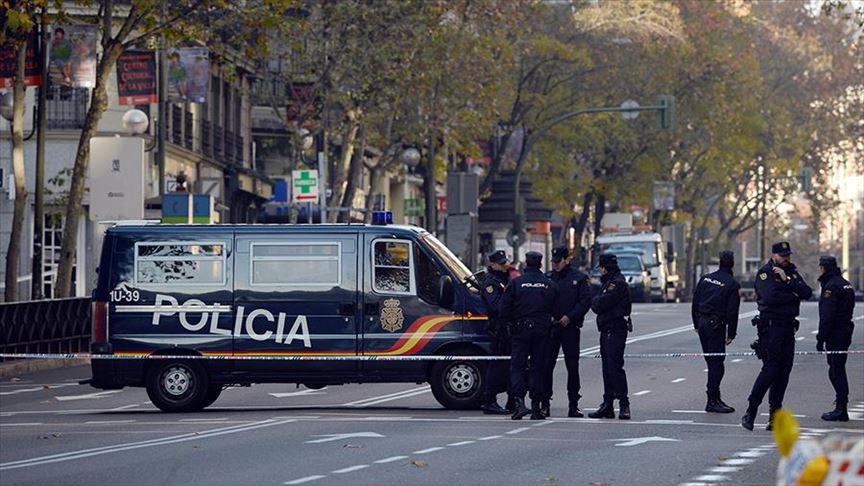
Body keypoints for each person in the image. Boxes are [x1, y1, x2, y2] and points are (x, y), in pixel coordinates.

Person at [741, 241, 813, 431]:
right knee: (771, 369)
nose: (786, 258)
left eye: (787, 254)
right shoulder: (765, 273)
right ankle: (751, 410)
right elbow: (771, 297)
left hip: (788, 328)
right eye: (782, 255)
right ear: (773, 255)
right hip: (771, 328)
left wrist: (788, 281)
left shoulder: (791, 272)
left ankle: (775, 416)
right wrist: (793, 295)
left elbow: (807, 292)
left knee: (784, 373)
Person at [500, 251, 557, 420]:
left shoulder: (516, 283)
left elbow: (504, 308)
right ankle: (536, 407)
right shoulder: (549, 284)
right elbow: (556, 307)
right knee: (537, 368)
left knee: (517, 366)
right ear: (540, 264)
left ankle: (519, 403)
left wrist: (508, 325)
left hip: (520, 330)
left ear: (526, 263)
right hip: (542, 331)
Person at [542, 246, 592, 418]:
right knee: (546, 366)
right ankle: (544, 403)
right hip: (551, 328)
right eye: (553, 262)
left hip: (570, 328)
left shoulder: (579, 278)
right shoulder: (547, 278)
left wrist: (569, 317)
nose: (555, 265)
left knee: (572, 367)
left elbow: (585, 301)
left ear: (567, 260)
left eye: (558, 261)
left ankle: (573, 404)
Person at [691, 250, 740, 413]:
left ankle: (715, 398)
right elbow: (733, 311)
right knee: (716, 364)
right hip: (715, 326)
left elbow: (695, 302)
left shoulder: (705, 279)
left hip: (703, 323)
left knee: (711, 362)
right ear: (732, 263)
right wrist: (731, 333)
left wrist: (696, 324)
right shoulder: (731, 284)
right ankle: (712, 400)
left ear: (719, 262)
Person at [589, 253, 632, 420]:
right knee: (607, 368)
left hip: (615, 329)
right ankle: (607, 404)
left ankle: (623, 403)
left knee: (615, 368)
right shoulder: (609, 282)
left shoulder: (616, 283)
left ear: (604, 267)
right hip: (606, 329)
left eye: (601, 267)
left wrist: (596, 301)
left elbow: (600, 304)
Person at [816, 255, 856, 422]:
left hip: (836, 333)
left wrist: (820, 338)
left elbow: (827, 316)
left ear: (823, 268)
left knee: (836, 370)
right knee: (838, 368)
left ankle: (841, 408)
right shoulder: (845, 284)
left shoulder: (831, 287)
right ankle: (841, 405)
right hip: (845, 330)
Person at [479, 250, 514, 415]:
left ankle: (512, 401)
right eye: (500, 264)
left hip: (507, 329)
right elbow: (496, 307)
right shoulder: (490, 283)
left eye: (504, 262)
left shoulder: (504, 279)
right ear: (492, 264)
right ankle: (489, 401)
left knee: (509, 366)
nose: (504, 266)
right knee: (496, 366)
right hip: (498, 330)